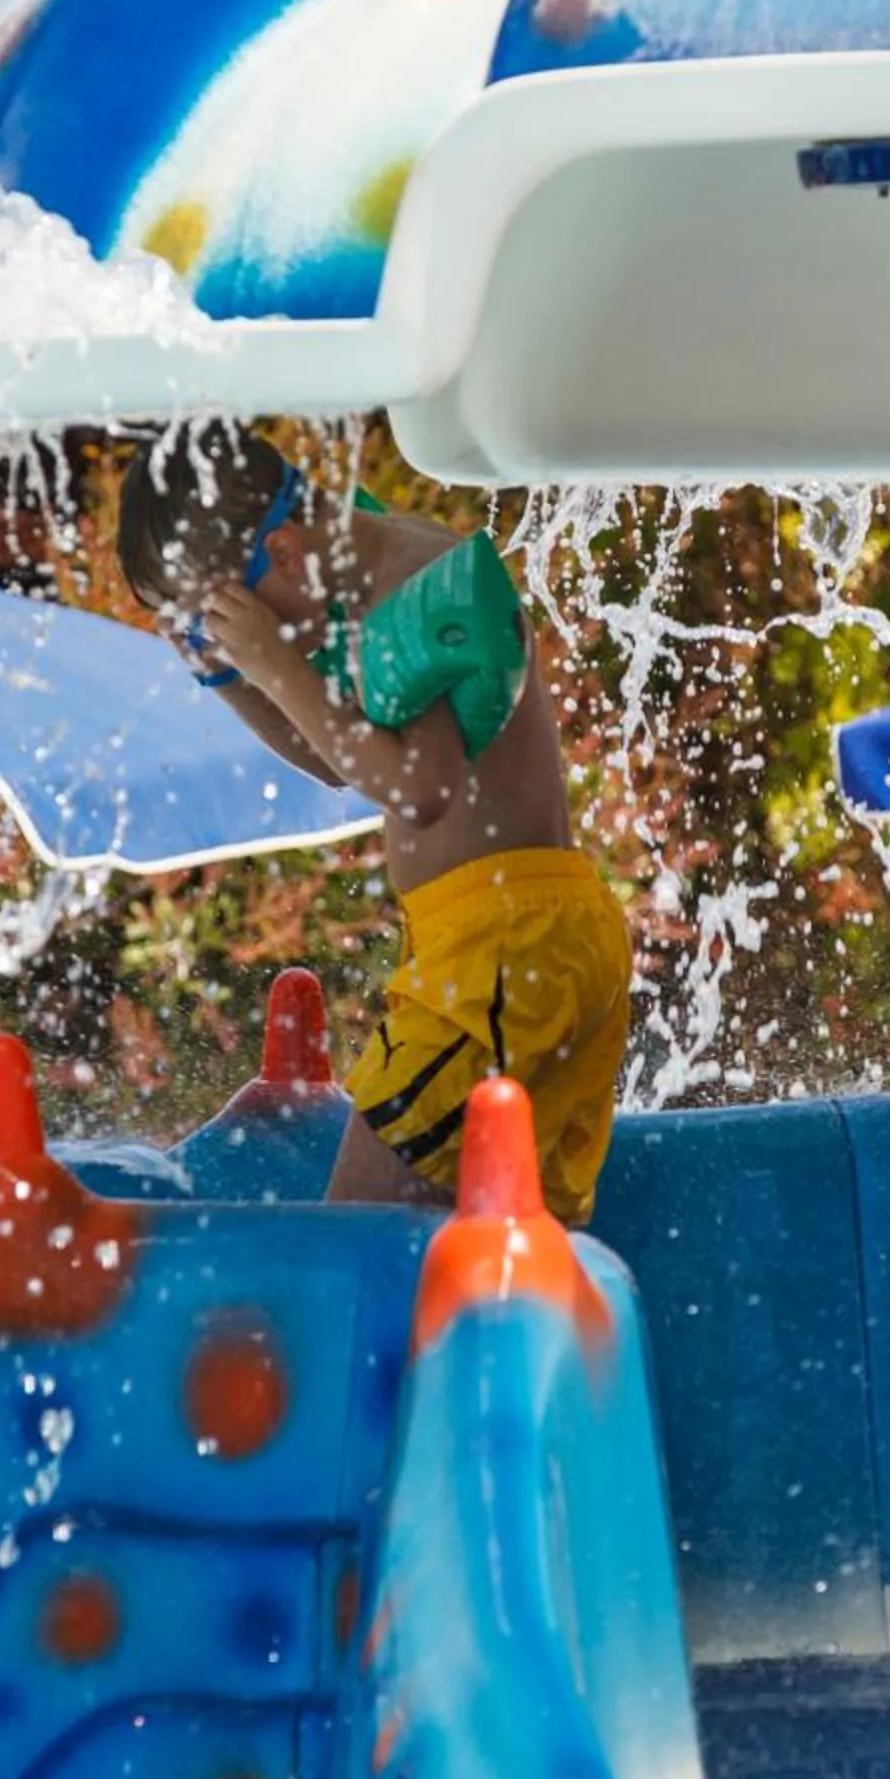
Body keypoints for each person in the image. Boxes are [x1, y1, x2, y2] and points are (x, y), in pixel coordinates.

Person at [116, 430, 630, 1223]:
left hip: (503, 957)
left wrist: (274, 663)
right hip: (511, 945)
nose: (224, 638)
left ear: (282, 553)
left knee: (353, 1229)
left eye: (221, 617)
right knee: (505, 1238)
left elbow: (417, 789)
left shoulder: (411, 588)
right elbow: (333, 759)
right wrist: (230, 676)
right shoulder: (352, 568)